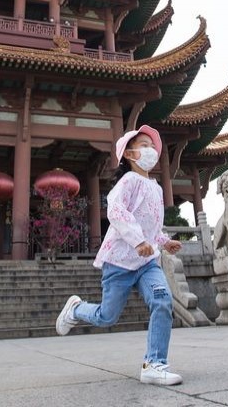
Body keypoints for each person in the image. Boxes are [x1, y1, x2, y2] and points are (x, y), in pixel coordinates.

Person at [55, 124, 185, 385]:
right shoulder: (127, 182)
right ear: (129, 154)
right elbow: (116, 212)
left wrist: (163, 241)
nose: (151, 151)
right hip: (119, 262)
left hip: (147, 263)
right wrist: (137, 241)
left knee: (162, 301)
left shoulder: (157, 188)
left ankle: (154, 364)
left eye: (152, 147)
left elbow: (151, 225)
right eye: (144, 146)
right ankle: (76, 309)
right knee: (107, 316)